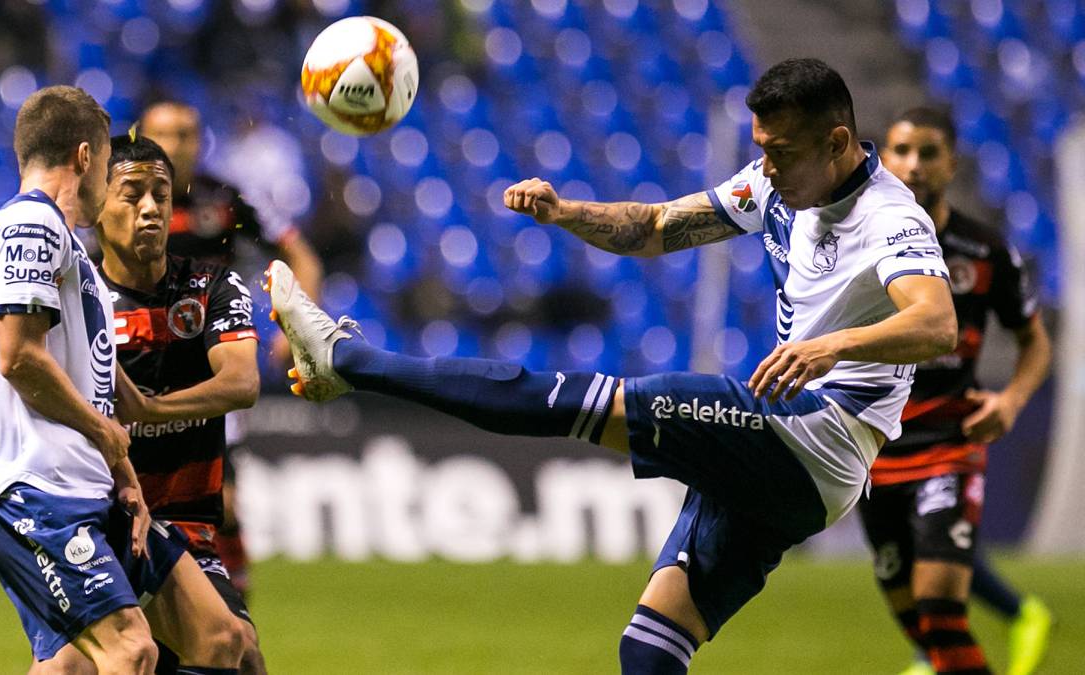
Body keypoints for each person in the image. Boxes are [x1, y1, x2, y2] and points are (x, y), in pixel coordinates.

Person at [266, 58, 958, 673]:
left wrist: (830, 346)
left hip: (818, 433)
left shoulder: (891, 219)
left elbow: (936, 322)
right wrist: (566, 213)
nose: (768, 167)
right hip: (787, 462)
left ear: (837, 142)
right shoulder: (774, 187)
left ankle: (350, 359)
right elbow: (656, 227)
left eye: (780, 152)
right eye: (762, 151)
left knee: (569, 399)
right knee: (652, 645)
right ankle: (346, 362)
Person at [0, 86, 244, 674]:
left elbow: (91, 376)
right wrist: (105, 431)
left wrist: (124, 476)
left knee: (221, 638)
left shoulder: (70, 252)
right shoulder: (30, 225)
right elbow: (18, 358)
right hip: (36, 490)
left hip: (87, 487)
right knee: (129, 651)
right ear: (87, 158)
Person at [862, 106, 1054, 675]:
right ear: (883, 159)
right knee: (921, 627)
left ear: (952, 164)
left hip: (950, 441)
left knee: (940, 603)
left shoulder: (985, 252)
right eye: (900, 151)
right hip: (871, 449)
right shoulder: (857, 241)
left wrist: (1013, 400)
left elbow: (1035, 341)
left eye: (927, 153)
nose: (912, 165)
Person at [95, 134, 268, 674]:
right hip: (101, 518)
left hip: (187, 521)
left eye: (161, 194)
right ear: (96, 203)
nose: (150, 208)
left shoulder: (210, 284)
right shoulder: (80, 301)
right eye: (132, 194)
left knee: (240, 650)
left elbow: (241, 382)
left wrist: (147, 410)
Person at [140, 100, 324, 597]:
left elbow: (300, 256)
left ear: (200, 141)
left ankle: (233, 598)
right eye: (165, 134)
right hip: (136, 374)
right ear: (143, 137)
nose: (176, 145)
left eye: (186, 134)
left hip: (208, 376)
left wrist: (295, 326)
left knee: (223, 501)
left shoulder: (224, 201)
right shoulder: (120, 201)